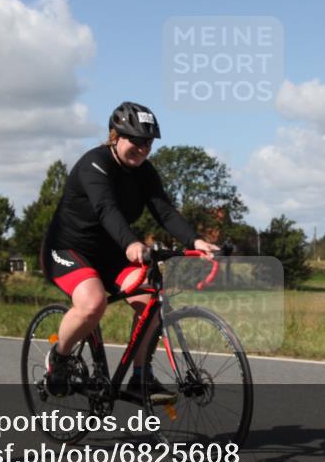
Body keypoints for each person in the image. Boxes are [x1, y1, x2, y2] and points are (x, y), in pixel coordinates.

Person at [40, 102, 219, 399]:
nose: (142, 148)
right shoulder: (94, 165)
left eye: (147, 142)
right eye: (134, 140)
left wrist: (195, 241)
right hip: (68, 249)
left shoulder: (145, 173)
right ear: (114, 137)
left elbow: (165, 211)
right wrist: (132, 243)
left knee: (152, 299)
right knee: (93, 303)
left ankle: (140, 376)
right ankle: (59, 357)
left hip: (111, 255)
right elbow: (106, 209)